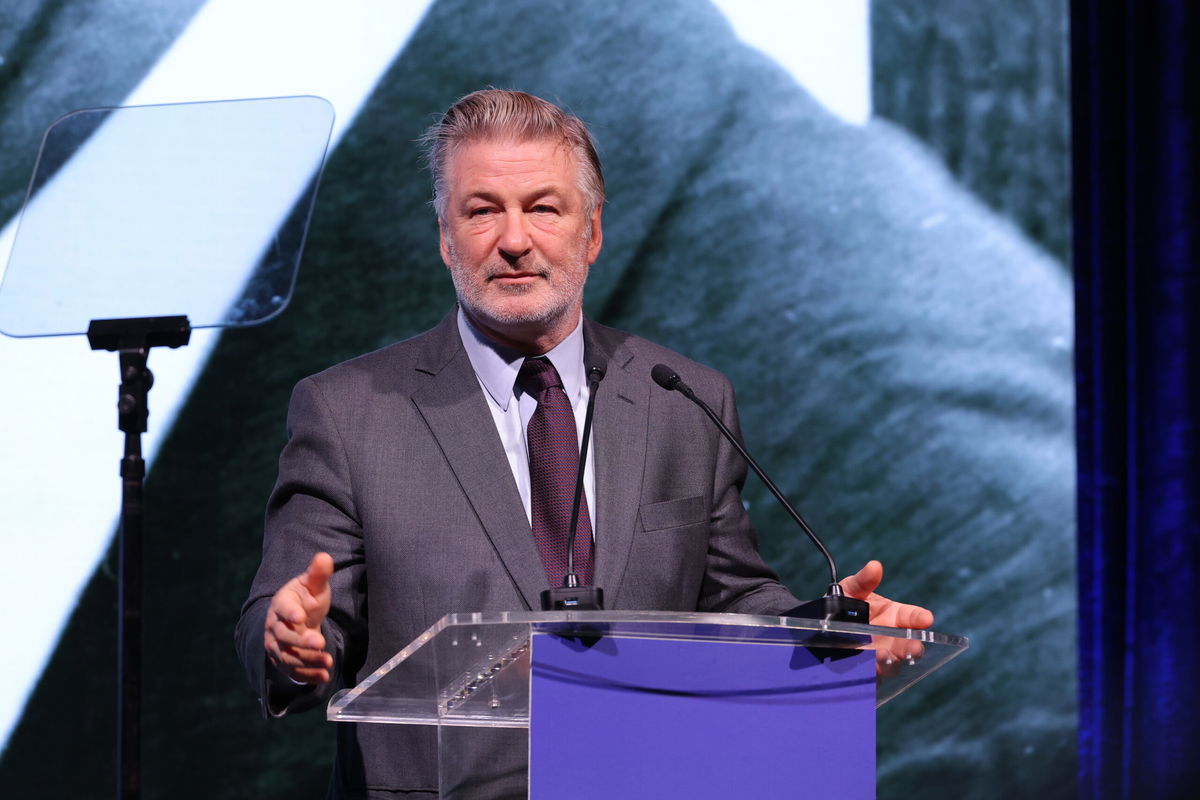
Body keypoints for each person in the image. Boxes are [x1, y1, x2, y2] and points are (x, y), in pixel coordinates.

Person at [235, 88, 932, 798]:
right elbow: (289, 621)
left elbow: (731, 596)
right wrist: (292, 641)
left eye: (542, 207)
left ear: (591, 234)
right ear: (445, 237)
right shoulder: (350, 411)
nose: (513, 240)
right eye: (482, 211)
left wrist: (823, 632)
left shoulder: (683, 399)